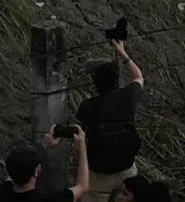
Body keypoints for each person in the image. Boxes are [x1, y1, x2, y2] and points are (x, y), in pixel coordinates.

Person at [76, 41, 143, 202]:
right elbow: (138, 76)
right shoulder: (129, 96)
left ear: (96, 84)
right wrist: (122, 53)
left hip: (99, 176)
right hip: (127, 171)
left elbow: (82, 137)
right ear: (117, 79)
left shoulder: (88, 106)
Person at [2, 126, 90, 202]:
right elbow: (82, 186)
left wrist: (45, 145)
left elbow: (15, 169)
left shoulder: (4, 192)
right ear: (37, 171)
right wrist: (82, 145)